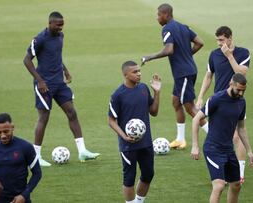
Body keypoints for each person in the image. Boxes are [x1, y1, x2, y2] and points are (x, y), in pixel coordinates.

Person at [23, 11, 99, 166]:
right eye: (58, 25)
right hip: (44, 85)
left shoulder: (60, 36)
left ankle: (82, 151)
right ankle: (36, 157)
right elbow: (27, 60)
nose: (60, 28)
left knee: (72, 112)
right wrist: (40, 81)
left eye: (62, 25)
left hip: (59, 83)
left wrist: (65, 70)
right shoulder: (40, 39)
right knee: (44, 117)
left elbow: (56, 56)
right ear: (50, 23)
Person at [141, 3, 207, 149]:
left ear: (166, 14)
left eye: (159, 15)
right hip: (187, 71)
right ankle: (180, 139)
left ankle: (214, 136)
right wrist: (187, 55)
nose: (157, 18)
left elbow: (169, 49)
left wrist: (150, 57)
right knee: (176, 102)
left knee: (190, 107)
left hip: (183, 73)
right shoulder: (183, 26)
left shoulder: (167, 28)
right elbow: (199, 42)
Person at [196, 26, 251, 183]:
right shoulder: (214, 54)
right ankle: (223, 172)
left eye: (221, 40)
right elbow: (208, 76)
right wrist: (200, 96)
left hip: (236, 100)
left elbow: (240, 74)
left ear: (230, 38)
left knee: (237, 136)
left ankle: (239, 174)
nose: (219, 43)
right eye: (217, 40)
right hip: (218, 102)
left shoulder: (243, 53)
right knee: (219, 134)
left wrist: (229, 56)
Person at [191, 73, 253, 203]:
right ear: (231, 84)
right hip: (213, 149)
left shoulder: (241, 102)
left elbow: (241, 128)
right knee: (219, 185)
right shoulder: (216, 99)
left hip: (228, 150)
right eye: (238, 90)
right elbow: (196, 119)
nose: (241, 93)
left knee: (236, 184)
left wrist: (249, 150)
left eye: (243, 91)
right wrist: (195, 145)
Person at [108, 61, 161, 203]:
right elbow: (111, 121)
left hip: (146, 142)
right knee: (129, 178)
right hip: (128, 146)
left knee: (148, 174)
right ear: (126, 74)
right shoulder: (118, 95)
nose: (139, 74)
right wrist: (124, 136)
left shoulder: (144, 88)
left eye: (139, 71)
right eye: (135, 72)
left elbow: (154, 112)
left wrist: (157, 92)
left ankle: (138, 201)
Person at [0, 113, 42, 203]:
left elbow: (37, 173)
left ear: (12, 127)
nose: (3, 136)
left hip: (21, 200)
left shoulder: (25, 147)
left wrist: (24, 195)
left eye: (6, 131)